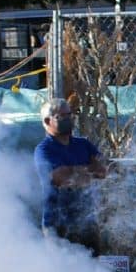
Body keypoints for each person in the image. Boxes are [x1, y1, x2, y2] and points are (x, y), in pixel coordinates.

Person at [34, 98, 108, 249]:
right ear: (48, 121)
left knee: (92, 269)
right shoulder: (44, 150)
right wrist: (88, 169)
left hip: (87, 222)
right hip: (57, 225)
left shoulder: (83, 144)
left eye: (69, 115)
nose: (69, 119)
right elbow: (59, 178)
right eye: (62, 116)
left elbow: (103, 170)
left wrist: (75, 171)